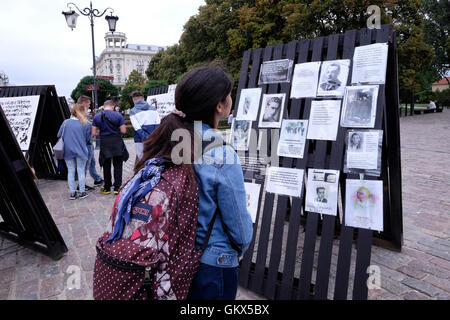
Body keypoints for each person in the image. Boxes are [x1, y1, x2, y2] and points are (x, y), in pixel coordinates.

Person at [92, 100, 127, 195]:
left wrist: (102, 132)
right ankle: (117, 188)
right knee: (118, 165)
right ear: (113, 106)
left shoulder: (97, 116)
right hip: (117, 142)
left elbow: (93, 133)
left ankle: (107, 188)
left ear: (104, 106)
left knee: (106, 165)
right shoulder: (118, 115)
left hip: (105, 143)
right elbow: (123, 131)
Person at [57, 104, 91, 200]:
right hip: (81, 149)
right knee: (81, 170)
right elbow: (88, 139)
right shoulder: (86, 124)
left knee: (70, 171)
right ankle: (82, 191)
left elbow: (59, 135)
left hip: (68, 150)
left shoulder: (66, 123)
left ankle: (72, 193)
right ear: (82, 111)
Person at [77, 95, 103, 188]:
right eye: (88, 103)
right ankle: (81, 185)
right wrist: (100, 131)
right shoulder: (80, 115)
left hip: (88, 144)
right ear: (83, 103)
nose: (89, 105)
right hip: (85, 144)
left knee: (92, 163)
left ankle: (97, 179)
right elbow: (87, 132)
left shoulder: (81, 114)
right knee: (85, 165)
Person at [129, 91, 161, 161]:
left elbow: (137, 127)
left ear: (133, 100)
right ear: (143, 98)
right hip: (154, 137)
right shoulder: (154, 109)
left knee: (141, 159)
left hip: (140, 139)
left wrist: (145, 137)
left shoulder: (132, 111)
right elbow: (158, 124)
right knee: (153, 156)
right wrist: (153, 136)